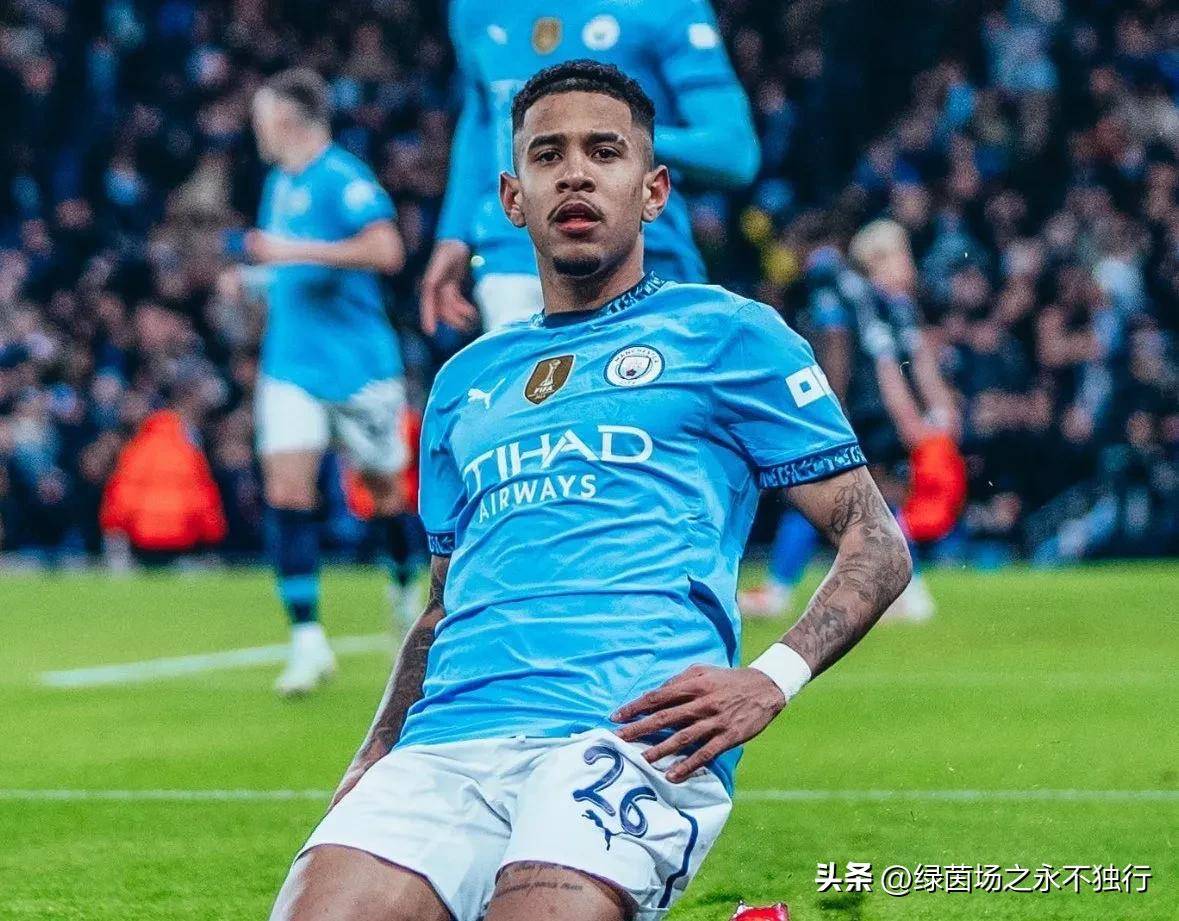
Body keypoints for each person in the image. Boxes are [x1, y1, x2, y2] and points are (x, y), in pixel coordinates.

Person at [270, 61, 912, 921]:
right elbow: (440, 606)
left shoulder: (727, 334)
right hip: (446, 744)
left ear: (653, 191)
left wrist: (770, 678)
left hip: (628, 734)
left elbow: (876, 540)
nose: (574, 173)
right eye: (548, 155)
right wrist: (375, 750)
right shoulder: (464, 382)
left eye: (603, 152)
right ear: (512, 197)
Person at [420, 0, 759, 335]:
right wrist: (453, 234)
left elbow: (734, 152)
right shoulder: (473, 8)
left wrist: (611, 139)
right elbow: (484, 116)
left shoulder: (663, 7)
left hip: (642, 259)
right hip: (514, 259)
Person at [236, 68, 409, 695]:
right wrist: (256, 281)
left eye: (262, 115)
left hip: (359, 366)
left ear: (286, 117)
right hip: (290, 365)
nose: (256, 127)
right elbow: (287, 269)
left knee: (383, 491)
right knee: (287, 490)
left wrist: (293, 252)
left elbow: (387, 251)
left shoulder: (344, 177)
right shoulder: (279, 182)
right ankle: (307, 641)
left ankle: (404, 590)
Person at [740, 219, 961, 620]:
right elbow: (889, 364)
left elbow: (863, 358)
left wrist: (831, 408)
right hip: (867, 412)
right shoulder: (877, 301)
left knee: (823, 490)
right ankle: (906, 588)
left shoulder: (866, 299)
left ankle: (784, 588)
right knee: (863, 496)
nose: (908, 265)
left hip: (861, 412)